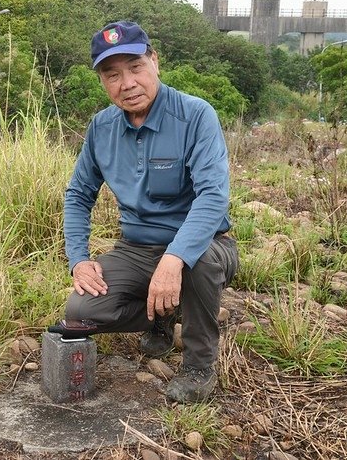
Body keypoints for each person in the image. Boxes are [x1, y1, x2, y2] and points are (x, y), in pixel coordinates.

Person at [63, 21, 239, 403]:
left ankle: (198, 364)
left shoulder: (195, 116)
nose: (127, 83)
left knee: (199, 262)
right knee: (81, 309)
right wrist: (79, 259)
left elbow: (212, 198)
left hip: (203, 245)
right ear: (102, 82)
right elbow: (78, 194)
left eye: (136, 67)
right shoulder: (101, 127)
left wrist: (175, 258)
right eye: (113, 75)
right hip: (136, 248)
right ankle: (163, 313)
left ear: (155, 61)